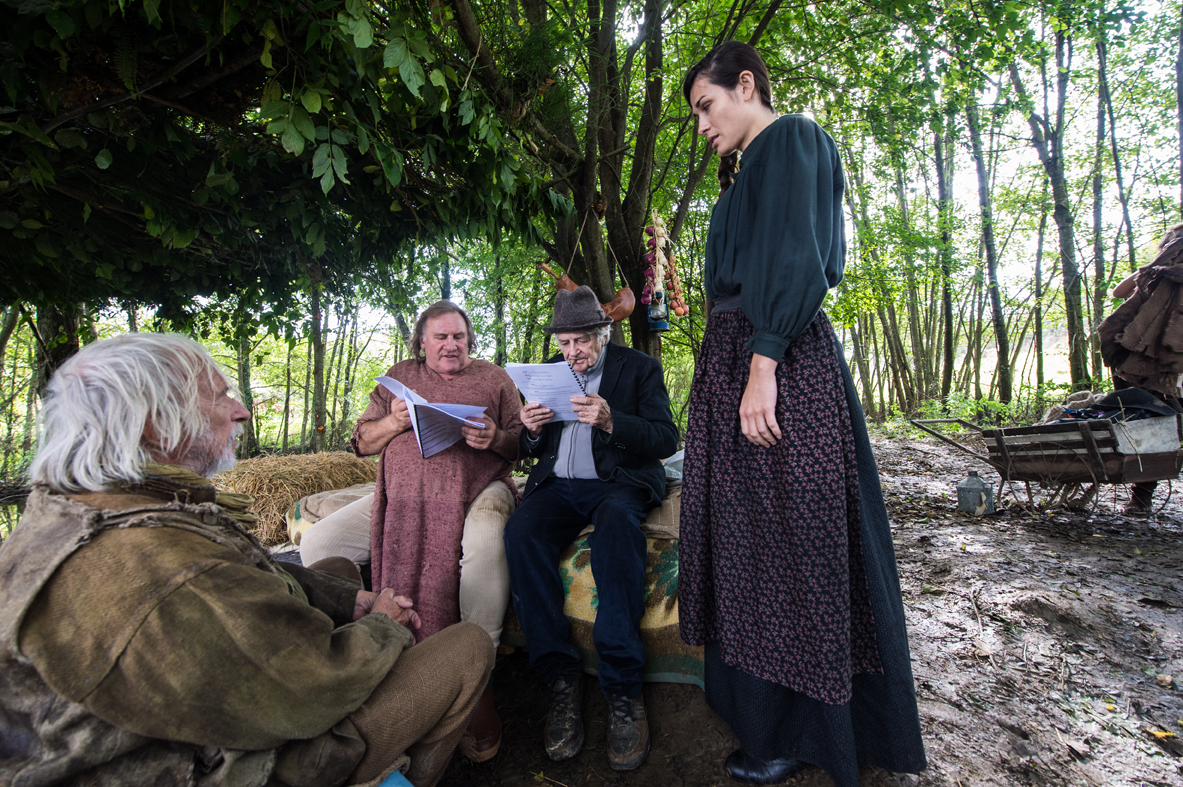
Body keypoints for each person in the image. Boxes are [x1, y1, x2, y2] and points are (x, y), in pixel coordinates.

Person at [0, 333, 492, 787]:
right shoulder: (173, 570)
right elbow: (311, 689)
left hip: (182, 713)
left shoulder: (88, 504)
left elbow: (253, 570)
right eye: (219, 396)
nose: (241, 411)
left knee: (337, 572)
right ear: (154, 422)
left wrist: (354, 598)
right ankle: (396, 771)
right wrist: (383, 626)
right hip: (228, 765)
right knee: (467, 646)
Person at [676, 42, 927, 787]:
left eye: (706, 105)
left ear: (745, 85)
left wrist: (762, 365)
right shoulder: (747, 169)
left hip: (776, 366)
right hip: (743, 362)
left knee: (796, 547)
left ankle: (818, 732)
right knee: (754, 550)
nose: (701, 124)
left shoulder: (792, 138)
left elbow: (798, 256)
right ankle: (771, 726)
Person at [298, 300, 523, 762]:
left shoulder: (494, 378)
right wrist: (395, 421)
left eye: (458, 336)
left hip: (480, 489)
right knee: (321, 542)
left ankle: (479, 676)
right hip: (398, 499)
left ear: (470, 340)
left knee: (482, 546)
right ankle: (355, 648)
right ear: (421, 341)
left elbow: (522, 442)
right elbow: (362, 442)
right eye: (440, 337)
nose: (450, 345)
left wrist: (494, 438)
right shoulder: (398, 376)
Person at [503, 285, 678, 772]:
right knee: (520, 534)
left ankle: (623, 686)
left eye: (582, 340)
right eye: (565, 343)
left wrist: (610, 420)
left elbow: (665, 437)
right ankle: (560, 678)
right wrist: (532, 429)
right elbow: (530, 447)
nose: (573, 351)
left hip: (616, 483)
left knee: (619, 529)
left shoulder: (638, 368)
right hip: (559, 486)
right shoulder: (547, 375)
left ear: (603, 333)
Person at [1102, 222, 1183, 515]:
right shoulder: (1153, 278)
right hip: (1145, 366)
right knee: (1151, 425)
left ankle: (1141, 499)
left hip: (1161, 366)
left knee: (1159, 426)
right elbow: (1118, 291)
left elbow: (1118, 292)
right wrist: (1152, 270)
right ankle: (1141, 499)